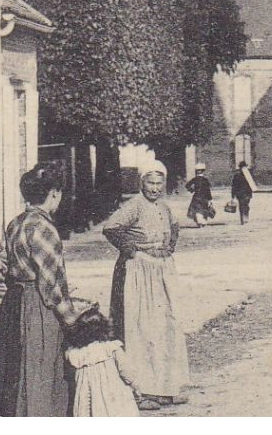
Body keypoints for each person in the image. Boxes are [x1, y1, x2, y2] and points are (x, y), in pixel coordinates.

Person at [0, 164, 83, 416]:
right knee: (40, 370)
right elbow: (51, 285)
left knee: (14, 371)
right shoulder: (43, 228)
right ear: (53, 193)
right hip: (37, 306)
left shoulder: (15, 224)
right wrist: (72, 320)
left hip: (14, 303)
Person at [100, 161, 189, 409]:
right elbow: (111, 228)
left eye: (160, 183)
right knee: (140, 329)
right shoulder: (134, 206)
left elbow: (174, 226)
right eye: (150, 183)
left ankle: (165, 387)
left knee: (164, 327)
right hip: (139, 272)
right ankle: (142, 391)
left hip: (161, 273)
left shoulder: (164, 207)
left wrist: (169, 247)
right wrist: (131, 251)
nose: (155, 188)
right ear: (142, 183)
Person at [65, 307, 138, 417]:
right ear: (105, 328)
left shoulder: (77, 354)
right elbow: (126, 369)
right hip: (112, 395)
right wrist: (135, 385)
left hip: (88, 397)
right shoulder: (111, 348)